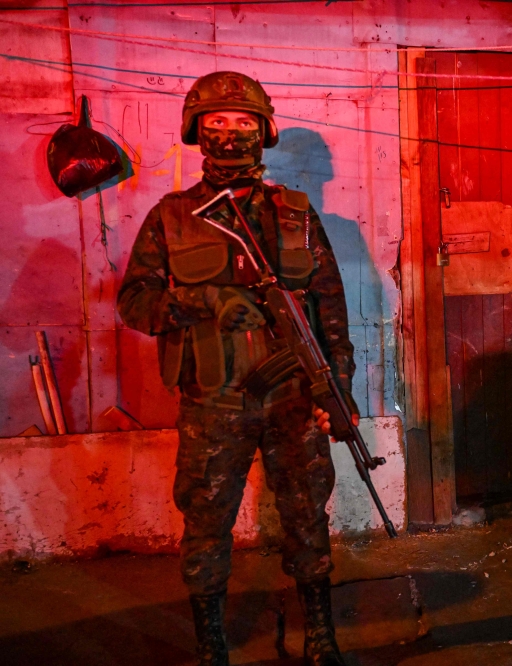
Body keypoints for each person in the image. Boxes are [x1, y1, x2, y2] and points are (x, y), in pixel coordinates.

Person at [117, 71, 356, 666]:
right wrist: (203, 300)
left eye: (244, 121)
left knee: (307, 515)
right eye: (217, 122)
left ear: (263, 131)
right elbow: (135, 302)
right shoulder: (172, 216)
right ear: (197, 131)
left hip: (295, 397)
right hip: (213, 401)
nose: (230, 133)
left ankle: (320, 637)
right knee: (206, 524)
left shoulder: (295, 214)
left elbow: (330, 304)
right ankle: (212, 647)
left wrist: (340, 391)